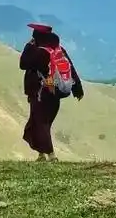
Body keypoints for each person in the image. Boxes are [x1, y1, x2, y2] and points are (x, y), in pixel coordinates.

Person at [19, 23, 84, 161]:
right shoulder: (58, 50)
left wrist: (28, 46)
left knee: (40, 122)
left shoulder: (38, 52)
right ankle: (41, 154)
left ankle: (51, 155)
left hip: (40, 91)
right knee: (40, 122)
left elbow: (23, 64)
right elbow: (70, 67)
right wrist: (77, 88)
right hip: (55, 92)